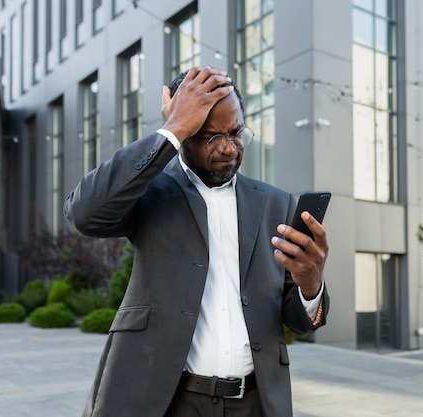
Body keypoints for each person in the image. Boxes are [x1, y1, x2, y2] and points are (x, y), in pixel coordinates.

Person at [64, 66, 330, 417]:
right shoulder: (149, 192)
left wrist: (311, 288)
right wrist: (170, 129)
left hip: (255, 402)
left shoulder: (276, 204)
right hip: (166, 400)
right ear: (185, 132)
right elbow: (84, 213)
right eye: (208, 136)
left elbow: (297, 321)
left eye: (235, 133)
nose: (226, 148)